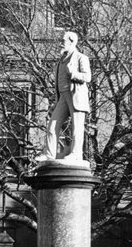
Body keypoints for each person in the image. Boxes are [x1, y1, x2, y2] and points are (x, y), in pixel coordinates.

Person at [37, 31, 91, 162]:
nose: (61, 44)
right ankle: (50, 154)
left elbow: (87, 77)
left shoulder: (81, 58)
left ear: (72, 42)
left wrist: (73, 73)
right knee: (52, 126)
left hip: (76, 96)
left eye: (63, 41)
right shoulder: (60, 61)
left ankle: (76, 154)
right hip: (63, 97)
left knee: (77, 128)